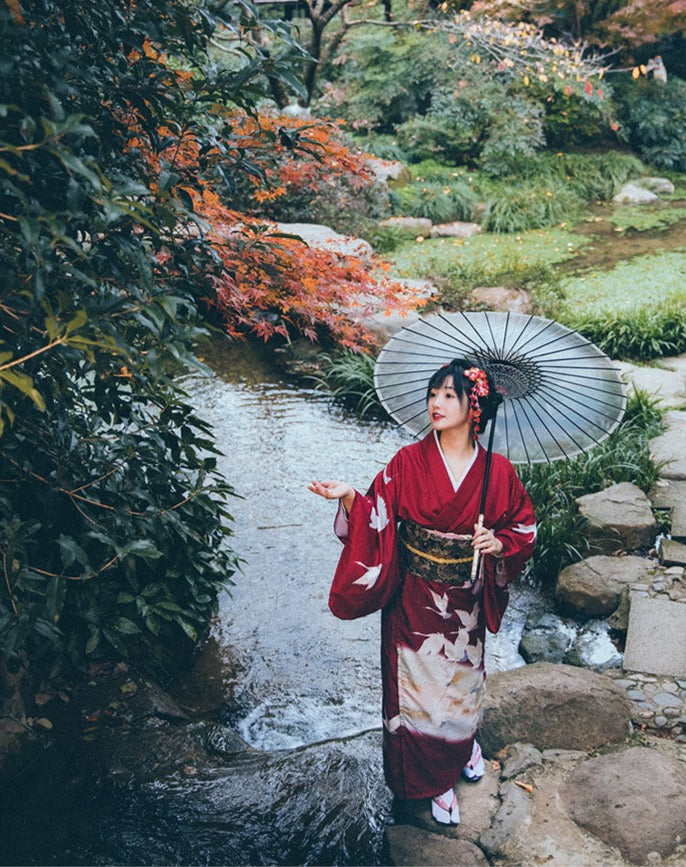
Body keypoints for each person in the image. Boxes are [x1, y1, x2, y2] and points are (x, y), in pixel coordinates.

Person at [308, 358, 536, 825]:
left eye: (450, 395)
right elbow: (378, 513)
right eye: (434, 394)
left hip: (465, 604)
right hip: (412, 600)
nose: (437, 403)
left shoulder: (497, 472)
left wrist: (498, 544)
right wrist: (350, 497)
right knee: (415, 697)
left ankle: (462, 747)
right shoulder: (408, 462)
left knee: (462, 688)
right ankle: (432, 782)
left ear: (475, 407)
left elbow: (524, 528)